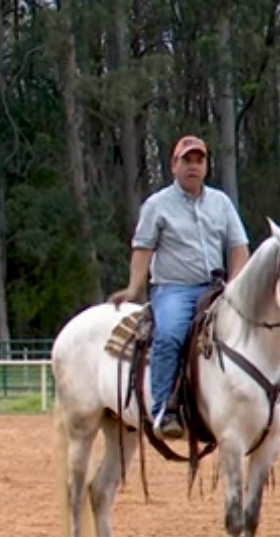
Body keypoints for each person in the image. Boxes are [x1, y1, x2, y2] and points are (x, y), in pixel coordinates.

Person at [108, 135, 250, 439]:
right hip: (174, 288)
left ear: (206, 166)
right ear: (174, 165)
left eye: (199, 160)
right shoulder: (157, 205)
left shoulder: (221, 203)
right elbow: (142, 248)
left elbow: (238, 247)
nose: (193, 167)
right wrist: (134, 287)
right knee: (170, 334)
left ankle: (257, 404)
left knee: (249, 331)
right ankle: (163, 409)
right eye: (187, 160)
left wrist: (235, 285)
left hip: (217, 287)